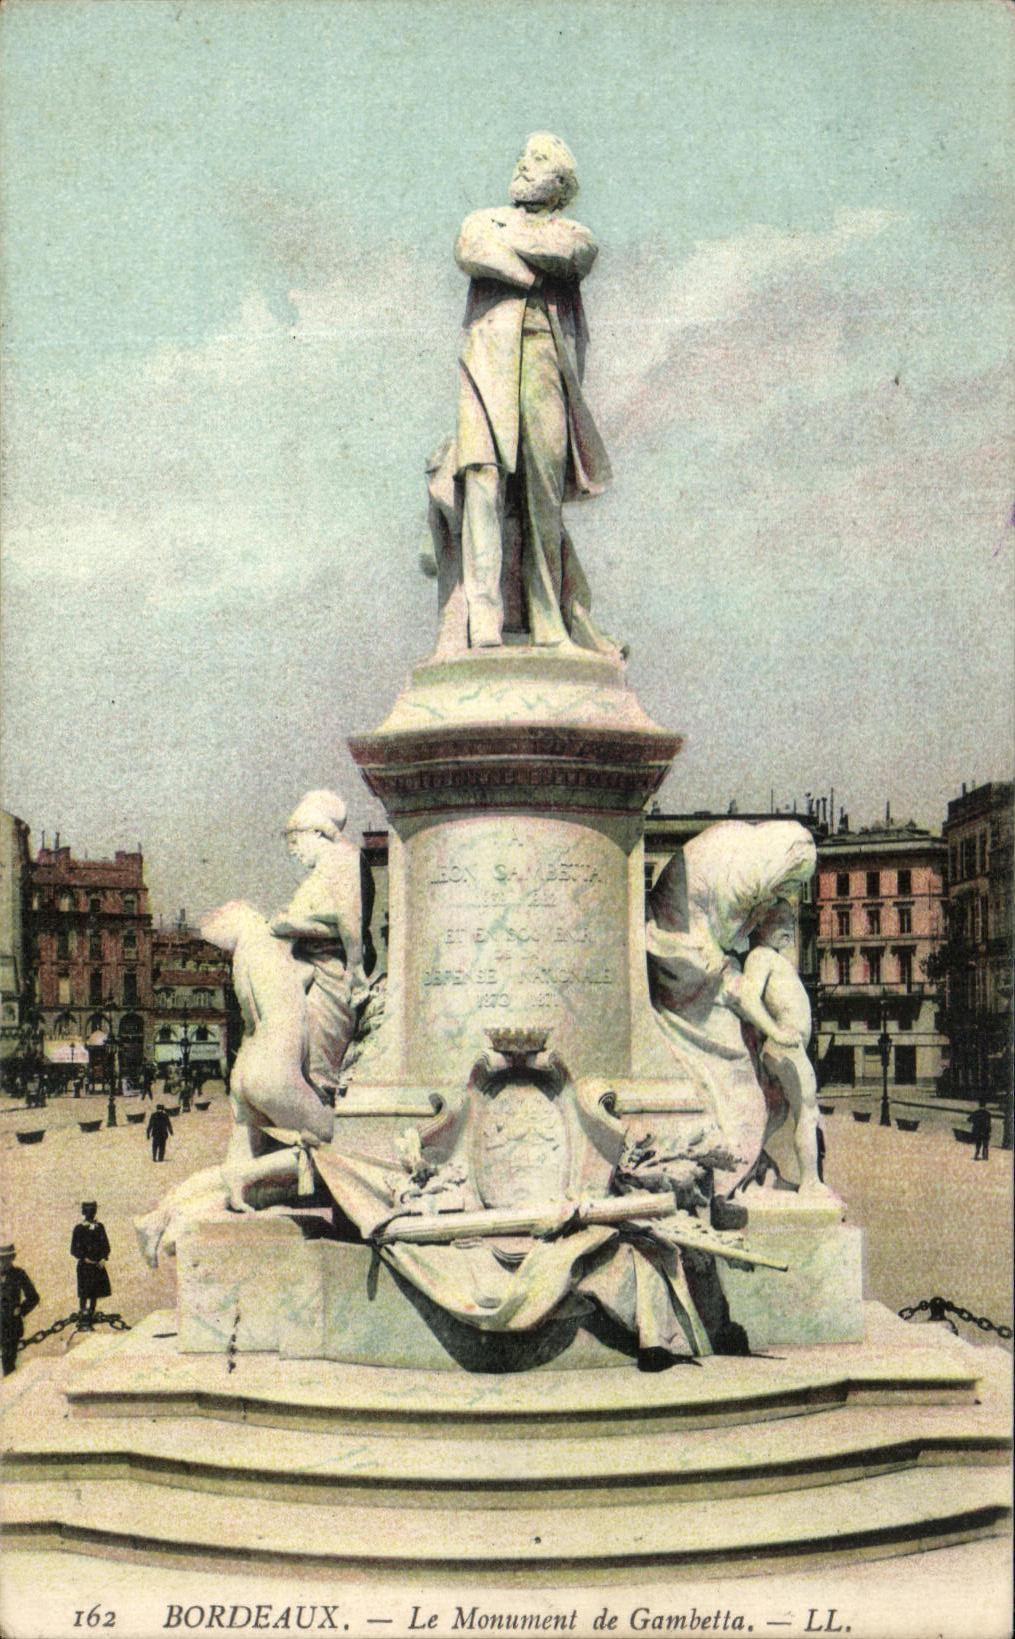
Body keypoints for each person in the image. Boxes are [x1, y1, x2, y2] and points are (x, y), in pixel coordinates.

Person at [453, 133, 615, 651]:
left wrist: (512, 254)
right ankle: (483, 619)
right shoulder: (484, 219)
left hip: (545, 360)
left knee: (543, 490)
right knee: (481, 475)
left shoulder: (572, 230)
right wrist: (530, 270)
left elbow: (572, 253)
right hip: (487, 359)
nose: (524, 164)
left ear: (562, 185)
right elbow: (469, 249)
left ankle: (548, 619)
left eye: (540, 160)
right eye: (524, 156)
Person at [270, 790, 372, 1102]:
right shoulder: (326, 868)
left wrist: (289, 925)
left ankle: (318, 1135)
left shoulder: (341, 858)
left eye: (297, 843)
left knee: (315, 1070)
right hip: (312, 969)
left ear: (318, 832)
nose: (295, 854)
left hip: (330, 974)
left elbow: (348, 922)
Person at [739, 900, 825, 1193]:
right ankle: (812, 1183)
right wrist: (775, 1030)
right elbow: (747, 999)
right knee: (807, 1112)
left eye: (791, 921)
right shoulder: (761, 957)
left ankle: (743, 1170)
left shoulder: (772, 958)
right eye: (780, 921)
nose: (789, 928)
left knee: (776, 1116)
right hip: (785, 1046)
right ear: (758, 925)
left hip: (786, 1045)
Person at [0, 1241, 39, 1375]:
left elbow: (33, 1297)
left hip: (11, 1325)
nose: (3, 1262)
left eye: (6, 1258)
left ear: (12, 1258)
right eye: (0, 1259)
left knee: (8, 1364)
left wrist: (21, 1310)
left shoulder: (19, 1274)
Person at [70, 1202, 111, 1327]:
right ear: (84, 1212)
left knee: (95, 1291)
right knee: (84, 1291)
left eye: (93, 1210)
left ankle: (92, 1311)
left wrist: (103, 1258)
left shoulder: (99, 1227)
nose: (91, 1213)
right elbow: (73, 1249)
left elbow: (106, 1245)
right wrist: (84, 1258)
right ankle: (83, 1311)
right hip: (85, 1266)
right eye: (88, 1210)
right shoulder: (79, 1228)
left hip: (98, 1265)